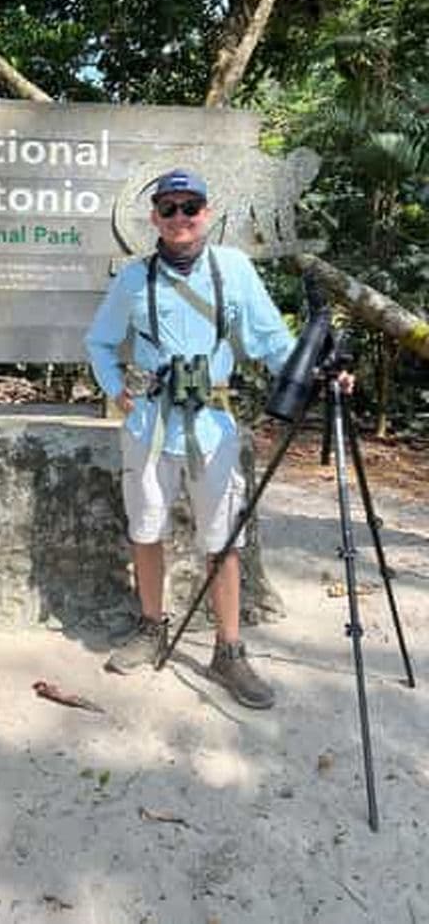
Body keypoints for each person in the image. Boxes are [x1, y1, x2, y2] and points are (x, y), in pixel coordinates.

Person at [86, 168, 352, 709]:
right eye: (169, 208)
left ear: (206, 213)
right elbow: (100, 342)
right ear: (154, 218)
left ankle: (228, 650)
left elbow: (271, 342)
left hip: (213, 424)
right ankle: (151, 626)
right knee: (146, 528)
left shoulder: (234, 269)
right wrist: (117, 390)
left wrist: (317, 372)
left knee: (224, 538)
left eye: (190, 207)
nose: (180, 217)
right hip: (150, 424)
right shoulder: (133, 278)